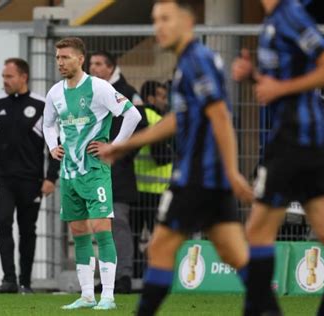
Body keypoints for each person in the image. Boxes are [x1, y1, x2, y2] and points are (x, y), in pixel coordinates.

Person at [100, 2, 253, 315]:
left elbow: (221, 117)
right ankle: (268, 305)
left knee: (161, 248)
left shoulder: (197, 61)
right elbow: (176, 121)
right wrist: (125, 145)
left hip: (198, 176)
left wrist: (232, 171)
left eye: (166, 19)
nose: (159, 26)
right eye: (155, 20)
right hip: (204, 176)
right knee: (234, 253)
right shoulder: (186, 64)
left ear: (188, 21)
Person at [232, 0, 324, 314]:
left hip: (295, 142)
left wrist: (279, 89)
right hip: (298, 142)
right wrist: (253, 75)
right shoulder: (271, 21)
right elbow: (283, 84)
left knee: (256, 234)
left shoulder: (290, 15)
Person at [43, 37, 142, 310]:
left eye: (65, 57)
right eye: (57, 57)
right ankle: (87, 294)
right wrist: (53, 147)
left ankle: (108, 295)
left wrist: (114, 147)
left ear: (80, 59)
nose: (60, 62)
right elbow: (48, 124)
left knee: (102, 229)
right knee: (79, 232)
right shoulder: (55, 93)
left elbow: (133, 115)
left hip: (95, 171)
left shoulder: (99, 88)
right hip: (69, 173)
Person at [0, 58, 59, 294]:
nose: (5, 81)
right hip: (0, 178)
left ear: (23, 77)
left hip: (30, 180)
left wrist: (50, 177)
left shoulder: (42, 105)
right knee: (2, 224)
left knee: (28, 229)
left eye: (9, 76)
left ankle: (25, 281)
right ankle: (9, 279)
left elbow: (54, 144)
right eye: (4, 77)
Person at [89, 51, 148, 293]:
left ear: (112, 67)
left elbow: (141, 125)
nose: (93, 68)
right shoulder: (89, 91)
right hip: (94, 169)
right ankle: (106, 277)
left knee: (119, 224)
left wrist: (118, 153)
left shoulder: (126, 92)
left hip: (118, 173)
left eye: (99, 64)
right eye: (91, 63)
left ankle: (123, 276)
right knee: (100, 225)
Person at [132, 80, 173, 278]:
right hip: (156, 190)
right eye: (162, 97)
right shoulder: (157, 119)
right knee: (159, 238)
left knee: (132, 237)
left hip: (134, 188)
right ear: (150, 98)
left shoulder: (135, 115)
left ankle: (135, 275)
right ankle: (157, 276)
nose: (165, 102)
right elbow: (161, 157)